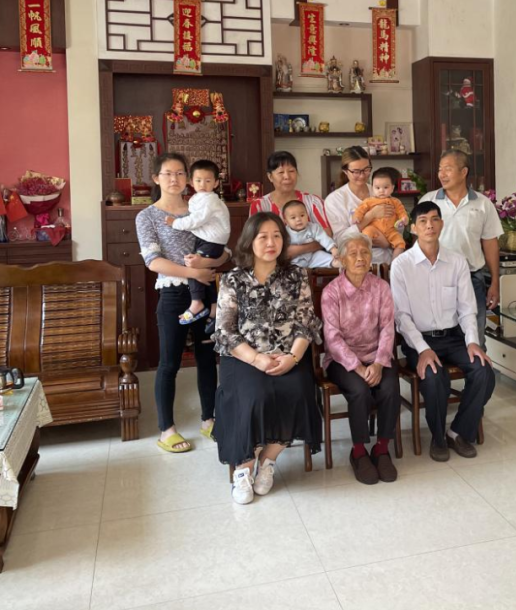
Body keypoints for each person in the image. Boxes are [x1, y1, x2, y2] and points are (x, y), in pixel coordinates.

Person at [212, 212, 323, 505]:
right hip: (243, 356)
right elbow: (225, 331)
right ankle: (244, 467)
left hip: (287, 354)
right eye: (263, 237)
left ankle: (268, 460)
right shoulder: (233, 279)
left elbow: (306, 323)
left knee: (298, 392)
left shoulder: (296, 275)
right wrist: (256, 359)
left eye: (276, 236)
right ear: (250, 241)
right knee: (254, 396)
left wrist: (293, 357)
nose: (271, 242)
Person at [136, 152, 228, 453]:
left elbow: (224, 250)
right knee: (169, 362)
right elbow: (153, 261)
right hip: (174, 294)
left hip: (206, 291)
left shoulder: (200, 205)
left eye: (179, 173)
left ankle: (209, 420)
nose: (174, 179)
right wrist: (195, 273)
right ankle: (167, 430)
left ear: (188, 178)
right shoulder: (147, 216)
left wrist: (213, 263)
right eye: (167, 173)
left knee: (207, 358)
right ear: (156, 178)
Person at [391, 201, 495, 462]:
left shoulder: (457, 261)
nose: (430, 225)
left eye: (435, 219)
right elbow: (401, 316)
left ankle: (457, 431)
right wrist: (423, 350)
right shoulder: (401, 265)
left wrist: (473, 342)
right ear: (413, 228)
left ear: (442, 224)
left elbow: (467, 308)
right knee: (435, 377)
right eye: (423, 221)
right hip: (419, 340)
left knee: (484, 371)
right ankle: (438, 438)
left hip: (454, 337)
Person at [321, 234, 400, 485]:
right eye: (353, 253)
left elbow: (388, 328)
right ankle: (358, 452)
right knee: (359, 391)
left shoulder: (381, 287)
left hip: (377, 356)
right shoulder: (332, 292)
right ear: (342, 259)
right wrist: (357, 367)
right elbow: (332, 337)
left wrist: (378, 363)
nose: (360, 258)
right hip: (342, 360)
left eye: (365, 252)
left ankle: (382, 448)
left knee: (390, 387)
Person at [419, 150, 503, 344]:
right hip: (435, 278)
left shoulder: (483, 204)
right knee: (438, 339)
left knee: (475, 339)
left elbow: (490, 244)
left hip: (472, 279)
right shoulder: (428, 201)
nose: (441, 174)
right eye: (440, 169)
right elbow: (419, 242)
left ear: (463, 172)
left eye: (447, 169)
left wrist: (495, 283)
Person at [164, 159, 230, 331]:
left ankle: (196, 303)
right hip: (209, 239)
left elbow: (196, 220)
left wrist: (174, 223)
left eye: (208, 181)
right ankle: (214, 308)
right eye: (198, 180)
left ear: (216, 183)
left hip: (212, 240)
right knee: (207, 273)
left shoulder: (210, 200)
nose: (203, 184)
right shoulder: (199, 198)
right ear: (191, 182)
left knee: (193, 265)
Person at [249, 151, 333, 264]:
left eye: (291, 171)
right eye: (281, 172)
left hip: (312, 261)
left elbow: (327, 234)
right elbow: (255, 240)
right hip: (272, 262)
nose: (287, 176)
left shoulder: (313, 201)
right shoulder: (260, 205)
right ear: (270, 176)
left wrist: (297, 250)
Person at [324, 146, 394, 266]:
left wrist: (387, 242)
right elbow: (340, 240)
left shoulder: (379, 191)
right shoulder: (335, 199)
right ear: (345, 171)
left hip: (385, 260)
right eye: (356, 171)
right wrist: (371, 215)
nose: (362, 175)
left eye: (366, 169)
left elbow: (397, 225)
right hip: (354, 262)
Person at [351, 167, 409, 260]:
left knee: (401, 243)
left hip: (391, 230)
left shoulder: (396, 202)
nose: (381, 190)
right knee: (366, 233)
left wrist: (404, 218)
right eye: (377, 188)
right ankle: (365, 258)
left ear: (392, 188)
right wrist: (357, 216)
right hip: (374, 228)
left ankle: (395, 264)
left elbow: (401, 211)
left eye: (385, 187)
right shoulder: (369, 201)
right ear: (372, 188)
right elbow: (360, 209)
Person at [282, 200, 339, 268]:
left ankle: (334, 262)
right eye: (293, 217)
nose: (298, 219)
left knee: (322, 255)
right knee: (289, 267)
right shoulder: (285, 232)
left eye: (302, 215)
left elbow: (324, 238)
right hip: (295, 259)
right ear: (286, 221)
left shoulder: (314, 228)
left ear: (307, 215)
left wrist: (332, 249)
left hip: (312, 256)